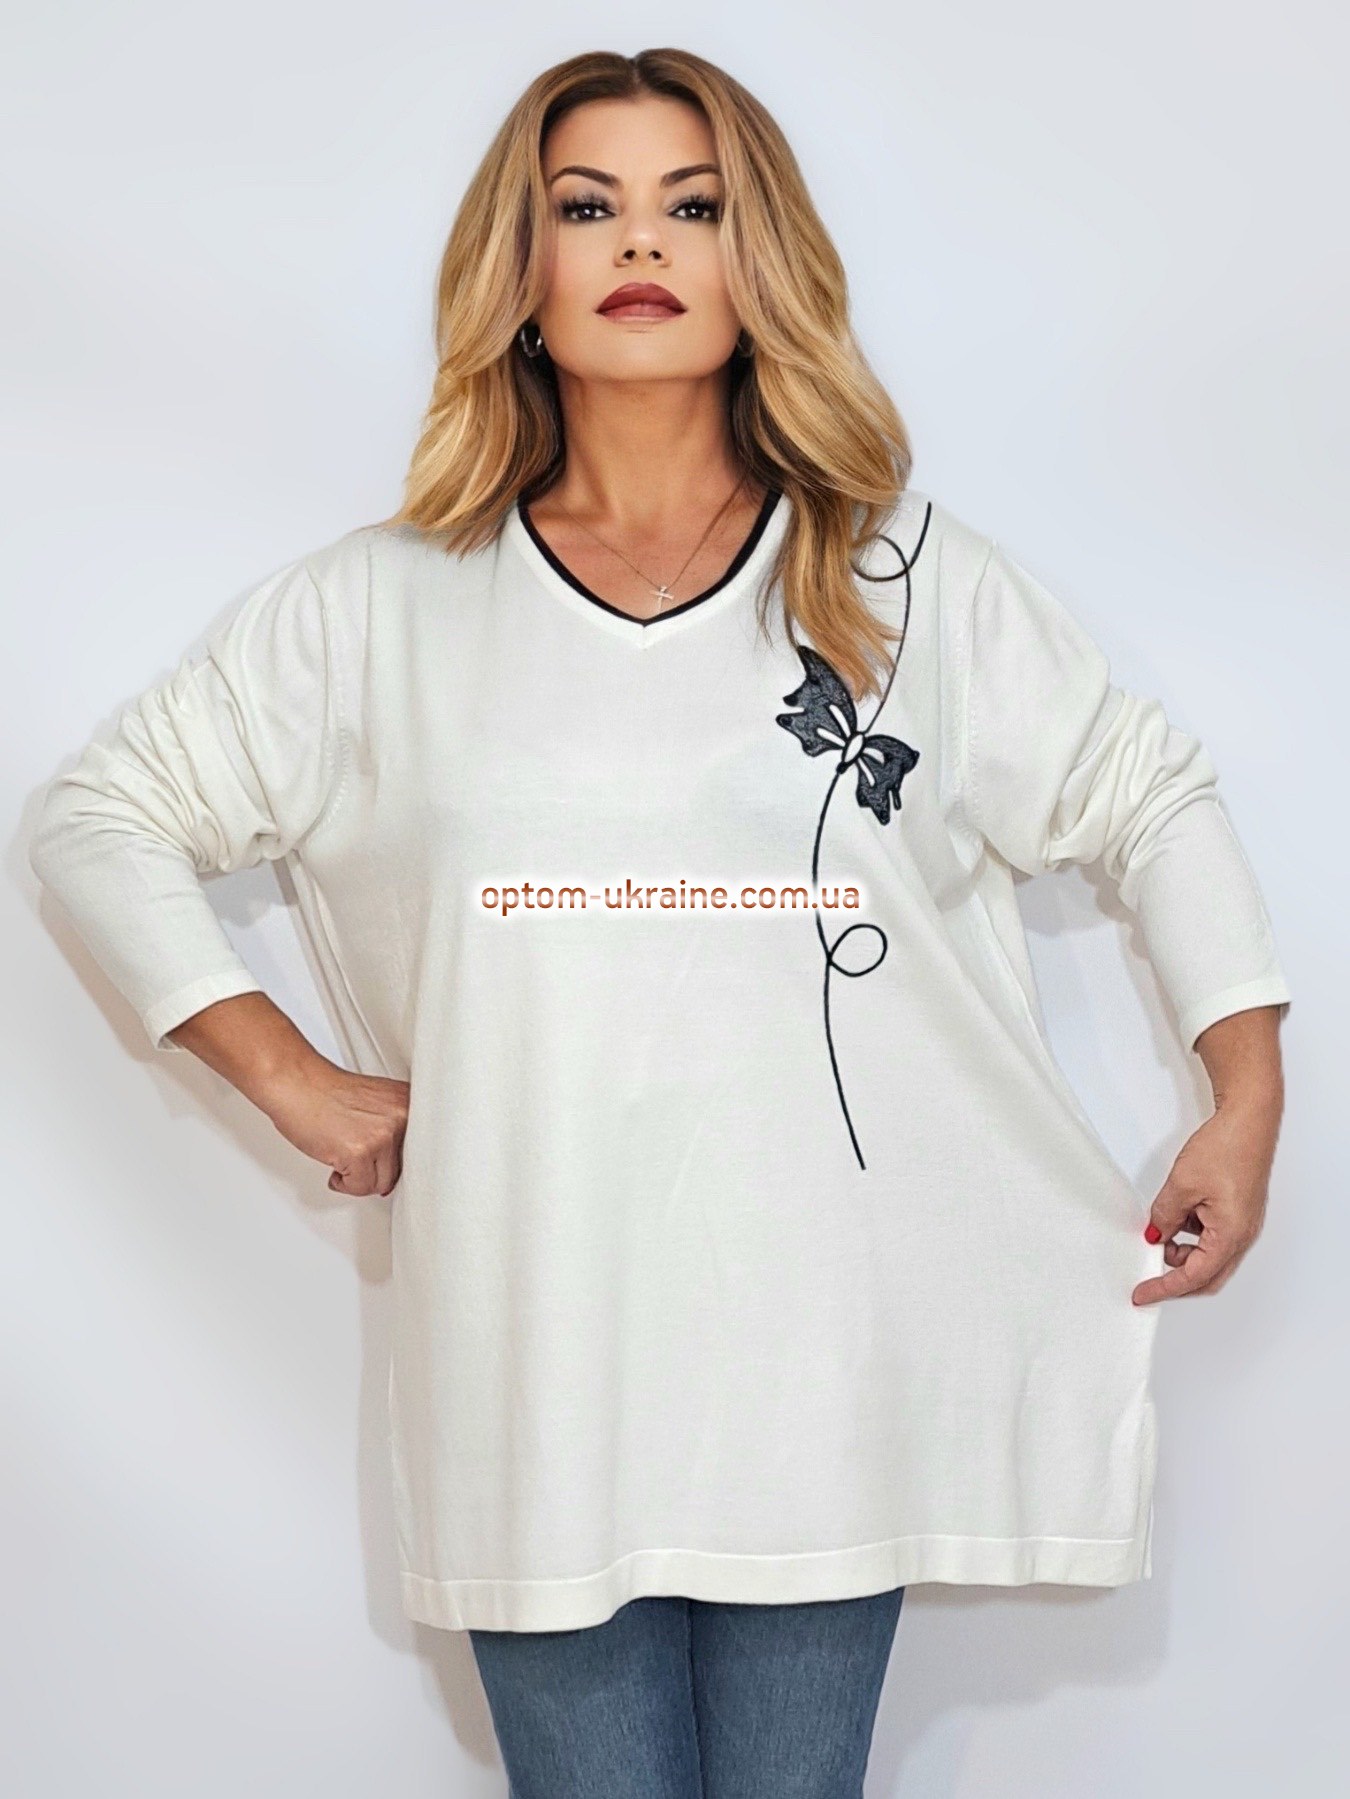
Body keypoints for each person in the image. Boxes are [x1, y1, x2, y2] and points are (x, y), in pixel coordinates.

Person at [27, 46, 1291, 1799]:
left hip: (825, 1367)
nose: (642, 243)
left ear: (755, 258)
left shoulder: (894, 580)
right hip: (533, 1360)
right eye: (587, 205)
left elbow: (1147, 798)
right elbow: (98, 819)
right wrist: (287, 1076)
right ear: (522, 271)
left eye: (692, 206)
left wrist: (1243, 1091)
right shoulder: (384, 606)